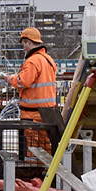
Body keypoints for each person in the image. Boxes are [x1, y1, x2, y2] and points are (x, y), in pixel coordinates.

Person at [13, 24, 62, 156]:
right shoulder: (48, 59)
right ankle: (44, 172)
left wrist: (10, 79)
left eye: (23, 43)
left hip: (32, 114)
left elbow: (23, 81)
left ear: (28, 42)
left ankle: (33, 173)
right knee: (45, 146)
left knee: (33, 149)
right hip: (47, 112)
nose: (23, 47)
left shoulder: (33, 61)